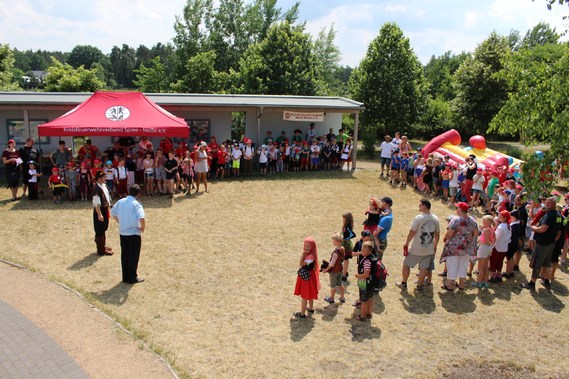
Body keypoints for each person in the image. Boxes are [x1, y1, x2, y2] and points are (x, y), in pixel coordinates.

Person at [397, 199, 441, 291]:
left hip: (417, 248)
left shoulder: (419, 218)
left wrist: (406, 243)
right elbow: (437, 234)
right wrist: (435, 245)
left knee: (406, 264)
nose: (419, 207)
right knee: (424, 268)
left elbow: (412, 231)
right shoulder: (435, 218)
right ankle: (419, 286)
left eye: (420, 205)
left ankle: (404, 283)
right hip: (429, 248)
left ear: (424, 206)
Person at [521, 197, 562, 290]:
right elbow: (559, 232)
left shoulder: (549, 216)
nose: (546, 205)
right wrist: (553, 240)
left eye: (547, 203)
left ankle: (531, 283)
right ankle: (546, 280)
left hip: (543, 243)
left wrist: (533, 227)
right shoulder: (558, 215)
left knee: (537, 262)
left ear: (552, 204)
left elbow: (542, 229)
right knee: (547, 262)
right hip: (551, 243)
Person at [439, 202, 479, 291]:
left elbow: (449, 234)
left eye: (457, 208)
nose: (456, 209)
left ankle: (450, 285)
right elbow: (476, 233)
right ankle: (461, 284)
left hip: (454, 247)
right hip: (466, 247)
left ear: (460, 209)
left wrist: (445, 239)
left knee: (452, 264)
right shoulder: (473, 220)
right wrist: (468, 239)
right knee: (463, 265)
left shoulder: (455, 220)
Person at [111, 184, 146, 284]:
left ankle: (125, 276)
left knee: (125, 255)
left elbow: (113, 212)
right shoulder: (136, 204)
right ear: (138, 194)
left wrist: (120, 221)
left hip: (123, 232)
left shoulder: (120, 201)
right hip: (133, 233)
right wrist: (142, 227)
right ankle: (132, 277)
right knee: (133, 256)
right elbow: (141, 217)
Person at [293, 237, 320, 318]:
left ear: (312, 247)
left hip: (307, 278)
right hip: (309, 276)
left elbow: (301, 263)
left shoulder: (310, 257)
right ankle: (311, 308)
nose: (306, 247)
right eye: (305, 245)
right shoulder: (311, 255)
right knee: (310, 293)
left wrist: (303, 254)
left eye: (308, 246)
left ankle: (302, 314)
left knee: (305, 295)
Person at [92, 170, 113, 256]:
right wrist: (99, 214)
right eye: (104, 177)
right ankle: (101, 250)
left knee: (104, 228)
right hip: (100, 211)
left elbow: (108, 197)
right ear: (99, 178)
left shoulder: (104, 186)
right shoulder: (96, 188)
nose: (106, 178)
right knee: (99, 230)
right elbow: (96, 202)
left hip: (105, 210)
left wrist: (110, 205)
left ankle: (102, 245)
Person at [322, 233, 346, 304]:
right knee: (340, 284)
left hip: (334, 271)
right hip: (339, 269)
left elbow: (331, 264)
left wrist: (326, 270)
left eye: (334, 240)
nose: (333, 241)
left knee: (333, 286)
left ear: (338, 242)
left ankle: (331, 298)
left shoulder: (335, 253)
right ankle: (342, 297)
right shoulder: (343, 249)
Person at [354, 241, 375, 321]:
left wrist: (358, 276)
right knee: (370, 298)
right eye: (362, 249)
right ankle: (369, 313)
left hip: (364, 283)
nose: (362, 251)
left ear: (369, 251)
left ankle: (362, 316)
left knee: (364, 300)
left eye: (364, 250)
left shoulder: (367, 261)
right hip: (371, 282)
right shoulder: (372, 257)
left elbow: (366, 274)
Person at [489, 210, 511, 283]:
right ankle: (499, 274)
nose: (498, 217)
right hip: (504, 247)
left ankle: (493, 276)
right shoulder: (508, 226)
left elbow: (496, 237)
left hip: (497, 246)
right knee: (500, 261)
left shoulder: (501, 227)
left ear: (504, 218)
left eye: (500, 216)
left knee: (493, 261)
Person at [474, 215, 496, 288]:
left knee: (481, 267)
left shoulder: (486, 230)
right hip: (488, 249)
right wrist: (491, 246)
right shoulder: (492, 229)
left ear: (488, 222)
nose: (483, 222)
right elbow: (494, 239)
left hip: (483, 248)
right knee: (486, 266)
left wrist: (483, 243)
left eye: (484, 221)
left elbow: (486, 241)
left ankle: (479, 282)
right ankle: (485, 282)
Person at [341, 212, 356, 281]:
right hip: (344, 245)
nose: (342, 219)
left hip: (346, 246)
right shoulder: (345, 226)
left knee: (345, 260)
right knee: (344, 260)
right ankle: (345, 272)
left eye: (344, 218)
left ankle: (344, 275)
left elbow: (353, 234)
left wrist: (346, 238)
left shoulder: (347, 227)